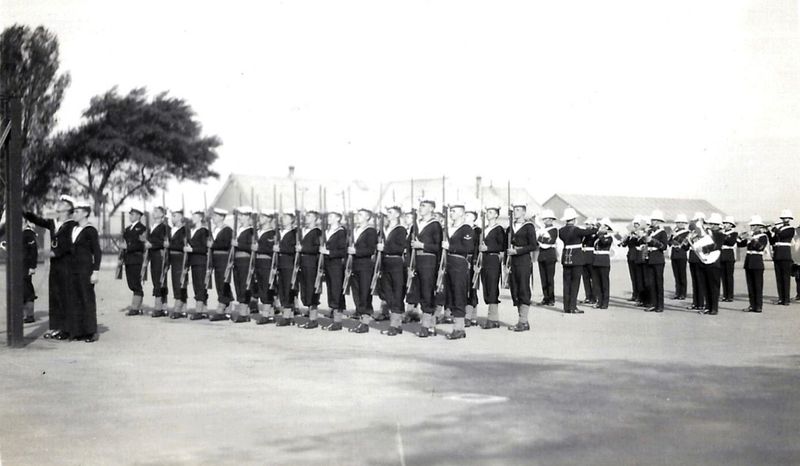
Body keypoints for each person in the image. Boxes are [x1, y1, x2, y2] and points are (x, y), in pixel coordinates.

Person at [23, 194, 77, 339]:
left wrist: (51, 253)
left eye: (63, 203)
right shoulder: (54, 223)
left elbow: (68, 246)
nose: (59, 204)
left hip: (66, 265)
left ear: (68, 208)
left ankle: (66, 329)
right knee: (55, 296)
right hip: (55, 266)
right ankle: (56, 328)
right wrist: (23, 211)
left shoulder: (72, 225)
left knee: (65, 296)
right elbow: (38, 221)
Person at [68, 202, 102, 342]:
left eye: (77, 211)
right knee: (75, 299)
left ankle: (90, 331)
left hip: (85, 270)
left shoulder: (90, 230)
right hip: (73, 270)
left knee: (87, 299)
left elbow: (97, 252)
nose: (74, 214)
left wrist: (95, 271)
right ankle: (79, 331)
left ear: (85, 214)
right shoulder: (73, 229)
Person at [442, 204, 475, 340]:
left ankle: (459, 328)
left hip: (459, 263)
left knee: (458, 294)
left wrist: (451, 247)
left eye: (454, 211)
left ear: (462, 213)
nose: (451, 214)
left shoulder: (466, 228)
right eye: (451, 211)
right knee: (450, 294)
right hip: (448, 263)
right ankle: (457, 326)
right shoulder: (449, 228)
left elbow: (468, 247)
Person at [411, 199, 442, 337]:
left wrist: (422, 245)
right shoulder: (415, 225)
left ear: (431, 208)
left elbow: (438, 247)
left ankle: (426, 325)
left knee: (427, 292)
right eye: (420, 206)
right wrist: (409, 265)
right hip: (416, 261)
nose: (420, 208)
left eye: (424, 206)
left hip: (429, 261)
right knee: (418, 292)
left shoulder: (435, 225)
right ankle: (430, 325)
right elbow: (409, 245)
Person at [506, 203, 538, 331]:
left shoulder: (528, 226)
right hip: (512, 261)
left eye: (518, 210)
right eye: (514, 210)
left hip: (523, 259)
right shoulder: (510, 226)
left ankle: (523, 321)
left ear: (524, 212)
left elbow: (533, 245)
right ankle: (521, 320)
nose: (516, 212)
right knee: (515, 289)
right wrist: (505, 264)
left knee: (523, 288)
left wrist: (518, 251)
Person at [558, 208, 595, 314]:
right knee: (575, 283)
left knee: (566, 283)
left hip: (566, 257)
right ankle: (573, 306)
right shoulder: (577, 230)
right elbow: (589, 232)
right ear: (574, 219)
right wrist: (595, 228)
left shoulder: (561, 231)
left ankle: (566, 307)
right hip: (577, 258)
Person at [379, 206, 408, 336]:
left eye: (390, 213)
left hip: (396, 263)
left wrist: (384, 248)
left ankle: (394, 325)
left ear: (397, 215)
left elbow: (400, 247)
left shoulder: (400, 230)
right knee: (387, 293)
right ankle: (396, 323)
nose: (388, 215)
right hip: (385, 262)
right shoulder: (383, 229)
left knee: (396, 293)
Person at [348, 208, 378, 334]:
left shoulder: (370, 231)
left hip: (365, 265)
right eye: (357, 214)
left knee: (364, 293)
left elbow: (371, 249)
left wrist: (356, 252)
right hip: (354, 265)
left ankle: (365, 322)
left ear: (367, 217)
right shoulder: (353, 230)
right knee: (356, 293)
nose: (357, 217)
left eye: (360, 215)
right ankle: (361, 318)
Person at [478, 206, 506, 329]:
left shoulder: (498, 229)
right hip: (484, 260)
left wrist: (488, 248)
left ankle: (493, 318)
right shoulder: (484, 229)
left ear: (496, 215)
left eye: (490, 212)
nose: (488, 215)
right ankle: (491, 317)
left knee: (492, 286)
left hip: (493, 259)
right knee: (486, 288)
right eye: (487, 212)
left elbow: (502, 245)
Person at [320, 210, 348, 330]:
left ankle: (337, 321)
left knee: (336, 291)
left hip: (336, 264)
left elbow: (343, 251)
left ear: (338, 218)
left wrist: (329, 252)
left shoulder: (340, 232)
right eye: (328, 216)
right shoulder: (325, 231)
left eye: (332, 216)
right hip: (326, 264)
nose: (329, 218)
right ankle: (334, 316)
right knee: (331, 290)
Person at [229, 207, 255, 323]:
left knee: (245, 285)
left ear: (249, 217)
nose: (241, 218)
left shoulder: (251, 231)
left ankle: (244, 312)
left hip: (245, 260)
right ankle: (243, 311)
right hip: (236, 260)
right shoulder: (238, 230)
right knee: (238, 284)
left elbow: (252, 247)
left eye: (243, 216)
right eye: (240, 215)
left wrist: (238, 244)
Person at [737, 215, 769, 313]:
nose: (751, 227)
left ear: (759, 226)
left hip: (757, 262)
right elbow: (740, 245)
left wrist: (751, 239)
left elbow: (760, 247)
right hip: (749, 262)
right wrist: (739, 237)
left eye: (754, 225)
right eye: (751, 225)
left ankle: (758, 306)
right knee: (750, 285)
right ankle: (752, 305)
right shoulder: (751, 236)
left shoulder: (763, 236)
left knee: (758, 285)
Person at [208, 208, 234, 321]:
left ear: (222, 217)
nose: (213, 218)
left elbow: (224, 244)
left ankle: (222, 303)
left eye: (216, 216)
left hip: (223, 258)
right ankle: (227, 303)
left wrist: (212, 244)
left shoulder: (227, 230)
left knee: (223, 281)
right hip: (214, 258)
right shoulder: (213, 229)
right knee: (219, 281)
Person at [252, 210, 278, 324]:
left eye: (263, 217)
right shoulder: (257, 232)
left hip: (267, 263)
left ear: (268, 219)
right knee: (260, 286)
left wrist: (259, 248)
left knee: (266, 287)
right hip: (257, 262)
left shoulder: (272, 233)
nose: (260, 219)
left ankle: (266, 314)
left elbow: (272, 249)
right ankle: (270, 314)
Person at [298, 210, 322, 327]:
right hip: (301, 262)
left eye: (309, 216)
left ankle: (313, 319)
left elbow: (317, 249)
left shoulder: (317, 232)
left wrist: (302, 248)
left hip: (311, 263)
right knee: (304, 289)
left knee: (311, 290)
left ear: (315, 219)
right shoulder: (301, 231)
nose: (306, 218)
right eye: (306, 215)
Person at [145, 206, 170, 317]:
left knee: (159, 279)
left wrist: (152, 245)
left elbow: (165, 242)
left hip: (160, 255)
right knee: (156, 278)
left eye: (156, 211)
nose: (153, 213)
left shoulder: (165, 227)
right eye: (153, 210)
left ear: (162, 215)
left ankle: (159, 306)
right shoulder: (150, 227)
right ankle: (163, 306)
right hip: (152, 255)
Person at [185, 210, 210, 319]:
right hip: (194, 262)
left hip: (201, 261)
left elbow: (204, 248)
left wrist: (192, 249)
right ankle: (203, 310)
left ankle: (199, 310)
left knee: (200, 285)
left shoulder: (203, 231)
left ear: (200, 218)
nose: (193, 218)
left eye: (195, 216)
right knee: (196, 285)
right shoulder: (193, 230)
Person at [275, 211, 299, 326]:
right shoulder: (279, 232)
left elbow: (294, 249)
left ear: (292, 220)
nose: (282, 219)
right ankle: (288, 315)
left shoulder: (295, 233)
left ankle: (287, 315)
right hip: (280, 264)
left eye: (286, 217)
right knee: (281, 289)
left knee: (288, 289)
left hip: (289, 264)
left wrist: (280, 248)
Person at [699, 213, 726, 315]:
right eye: (711, 224)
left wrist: (704, 247)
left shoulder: (720, 235)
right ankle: (707, 306)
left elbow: (716, 246)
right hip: (705, 261)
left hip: (715, 262)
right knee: (705, 285)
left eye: (715, 224)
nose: (713, 226)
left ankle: (714, 308)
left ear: (719, 225)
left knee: (714, 286)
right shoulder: (706, 234)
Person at [123, 207, 148, 316]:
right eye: (130, 214)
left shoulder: (142, 228)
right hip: (128, 258)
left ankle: (136, 307)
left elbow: (141, 244)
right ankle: (136, 306)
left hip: (137, 258)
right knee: (131, 282)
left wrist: (128, 247)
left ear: (139, 215)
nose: (130, 216)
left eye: (133, 214)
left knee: (136, 283)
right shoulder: (128, 229)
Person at [643, 210, 668, 313]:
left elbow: (664, 246)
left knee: (658, 283)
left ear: (658, 221)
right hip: (650, 258)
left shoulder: (662, 232)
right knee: (651, 283)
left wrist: (652, 241)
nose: (652, 222)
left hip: (658, 259)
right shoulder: (650, 231)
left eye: (654, 220)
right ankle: (653, 304)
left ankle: (660, 305)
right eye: (652, 220)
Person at [768, 209, 795, 306]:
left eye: (786, 218)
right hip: (778, 254)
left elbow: (783, 235)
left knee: (785, 277)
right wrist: (768, 232)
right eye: (783, 218)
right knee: (779, 278)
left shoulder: (791, 229)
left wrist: (774, 229)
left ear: (789, 219)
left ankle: (786, 299)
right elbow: (772, 241)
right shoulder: (779, 229)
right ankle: (781, 299)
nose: (784, 219)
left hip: (785, 255)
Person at [166, 208, 189, 319]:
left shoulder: (185, 230)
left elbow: (183, 246)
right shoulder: (172, 230)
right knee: (177, 282)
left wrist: (169, 245)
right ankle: (184, 308)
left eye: (174, 216)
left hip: (181, 259)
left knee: (179, 282)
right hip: (173, 259)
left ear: (180, 217)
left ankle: (178, 308)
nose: (172, 218)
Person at [536, 209, 558, 307]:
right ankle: (546, 298)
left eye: (547, 219)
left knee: (550, 278)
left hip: (550, 255)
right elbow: (539, 240)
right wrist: (542, 239)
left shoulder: (554, 229)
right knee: (543, 278)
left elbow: (550, 241)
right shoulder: (542, 229)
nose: (545, 221)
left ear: (551, 219)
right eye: (544, 219)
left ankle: (551, 298)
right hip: (542, 255)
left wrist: (541, 239)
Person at [592, 218, 614, 309]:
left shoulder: (609, 238)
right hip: (596, 261)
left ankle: (605, 302)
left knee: (604, 283)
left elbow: (604, 243)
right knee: (596, 283)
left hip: (604, 261)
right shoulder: (597, 238)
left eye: (603, 226)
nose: (600, 228)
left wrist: (600, 234)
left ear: (607, 228)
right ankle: (599, 301)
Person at [619, 216, 642, 302]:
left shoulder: (641, 233)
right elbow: (625, 245)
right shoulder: (631, 233)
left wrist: (637, 236)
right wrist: (625, 239)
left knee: (638, 277)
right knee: (633, 276)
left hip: (638, 256)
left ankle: (639, 296)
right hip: (631, 256)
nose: (636, 225)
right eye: (635, 224)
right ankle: (634, 294)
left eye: (637, 224)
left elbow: (641, 243)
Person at [686, 212, 706, 311]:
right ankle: (695, 303)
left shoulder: (704, 231)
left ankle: (701, 303)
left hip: (700, 257)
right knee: (695, 281)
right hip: (693, 257)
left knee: (700, 281)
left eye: (696, 221)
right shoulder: (692, 232)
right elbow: (686, 247)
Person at [464, 209, 480, 326]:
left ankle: (470, 316)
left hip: (472, 260)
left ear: (474, 217)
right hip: (463, 259)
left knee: (471, 288)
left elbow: (476, 248)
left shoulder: (477, 230)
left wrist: (475, 262)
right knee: (464, 288)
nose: (465, 216)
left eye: (468, 215)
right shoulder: (463, 229)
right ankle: (469, 315)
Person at [669, 214, 690, 300]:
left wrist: (676, 236)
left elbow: (686, 245)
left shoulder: (687, 232)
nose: (680, 224)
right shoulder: (674, 231)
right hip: (674, 254)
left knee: (682, 275)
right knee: (676, 275)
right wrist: (671, 237)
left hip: (681, 253)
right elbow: (669, 243)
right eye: (678, 222)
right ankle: (677, 292)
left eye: (682, 222)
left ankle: (683, 293)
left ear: (684, 223)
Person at [720, 216, 739, 302]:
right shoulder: (722, 233)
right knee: (723, 276)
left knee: (729, 276)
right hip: (722, 255)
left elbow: (731, 242)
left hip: (729, 255)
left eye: (727, 223)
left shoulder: (734, 233)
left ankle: (730, 295)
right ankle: (725, 295)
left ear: (731, 225)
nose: (725, 225)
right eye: (724, 223)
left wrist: (722, 236)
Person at [581, 218, 598, 305]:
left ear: (592, 225)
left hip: (591, 257)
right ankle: (588, 296)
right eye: (586, 224)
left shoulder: (595, 234)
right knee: (585, 278)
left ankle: (594, 297)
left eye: (588, 224)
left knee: (594, 278)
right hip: (584, 257)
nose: (586, 226)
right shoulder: (585, 234)